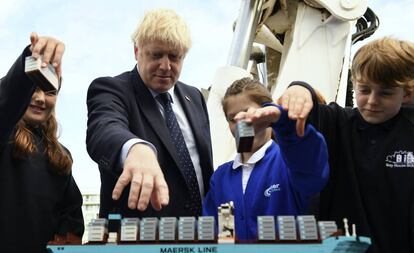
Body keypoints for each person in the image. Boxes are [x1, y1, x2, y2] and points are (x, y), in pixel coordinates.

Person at [280, 37, 414, 252]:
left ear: (406, 94)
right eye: (364, 90)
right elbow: (307, 112)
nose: (371, 101)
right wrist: (299, 88)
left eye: (385, 93)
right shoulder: (337, 122)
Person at [86, 8, 213, 219]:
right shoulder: (111, 89)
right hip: (140, 238)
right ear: (137, 51)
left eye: (174, 57)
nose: (165, 66)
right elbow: (104, 128)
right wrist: (136, 148)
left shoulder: (195, 98)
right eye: (156, 55)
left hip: (202, 233)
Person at [202, 77, 329, 241]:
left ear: (267, 113)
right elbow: (223, 236)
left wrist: (286, 124)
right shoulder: (221, 178)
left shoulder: (289, 163)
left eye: (249, 113)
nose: (242, 123)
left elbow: (312, 168)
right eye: (232, 118)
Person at [0, 33, 84, 252]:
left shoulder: (62, 155)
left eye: (49, 91)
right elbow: (7, 100)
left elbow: (72, 217)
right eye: (33, 89)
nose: (40, 98)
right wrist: (31, 58)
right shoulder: (4, 134)